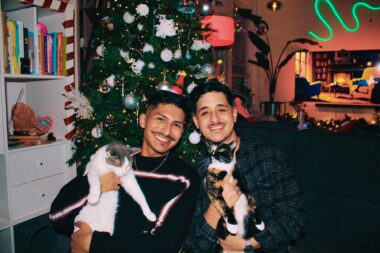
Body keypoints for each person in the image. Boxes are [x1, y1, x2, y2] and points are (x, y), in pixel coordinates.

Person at [49, 90, 200, 253]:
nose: (167, 131)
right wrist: (95, 185)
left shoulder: (184, 178)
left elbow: (165, 246)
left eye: (176, 125)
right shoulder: (113, 158)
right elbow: (57, 217)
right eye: (160, 119)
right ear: (143, 120)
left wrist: (93, 244)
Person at [184, 79, 305, 253]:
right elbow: (194, 244)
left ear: (234, 114)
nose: (214, 119)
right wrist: (218, 206)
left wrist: (251, 244)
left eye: (221, 110)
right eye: (205, 113)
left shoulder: (270, 157)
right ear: (196, 122)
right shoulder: (195, 174)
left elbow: (295, 219)